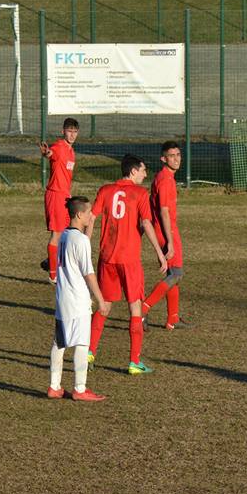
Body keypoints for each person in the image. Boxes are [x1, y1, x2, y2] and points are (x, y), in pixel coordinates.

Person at [85, 154, 168, 375]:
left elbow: (91, 218)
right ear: (133, 171)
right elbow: (146, 223)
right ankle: (134, 362)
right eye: (142, 170)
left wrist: (84, 244)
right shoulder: (140, 193)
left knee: (104, 306)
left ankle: (89, 352)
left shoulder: (105, 190)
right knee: (135, 307)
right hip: (129, 260)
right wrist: (159, 253)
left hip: (107, 258)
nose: (145, 174)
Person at [47, 196, 111, 402]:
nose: (91, 215)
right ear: (79, 214)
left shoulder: (65, 236)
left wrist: (90, 227)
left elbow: (81, 246)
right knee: (83, 343)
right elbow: (88, 273)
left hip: (62, 298)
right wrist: (100, 299)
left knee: (60, 342)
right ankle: (80, 388)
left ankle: (54, 386)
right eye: (89, 212)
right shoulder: (80, 241)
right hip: (78, 300)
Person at [143, 141, 191, 327]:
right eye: (172, 156)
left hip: (169, 230)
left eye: (178, 154)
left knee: (174, 274)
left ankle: (173, 318)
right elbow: (163, 211)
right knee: (176, 274)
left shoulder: (167, 177)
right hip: (166, 232)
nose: (176, 159)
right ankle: (143, 309)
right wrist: (169, 242)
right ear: (163, 159)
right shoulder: (164, 180)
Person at [40, 118, 80, 284]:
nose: (72, 134)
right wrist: (46, 153)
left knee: (66, 233)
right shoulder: (59, 147)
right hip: (55, 195)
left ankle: (51, 262)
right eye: (69, 131)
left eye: (75, 132)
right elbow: (51, 153)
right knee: (57, 234)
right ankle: (53, 275)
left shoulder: (71, 151)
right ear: (63, 131)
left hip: (64, 195)